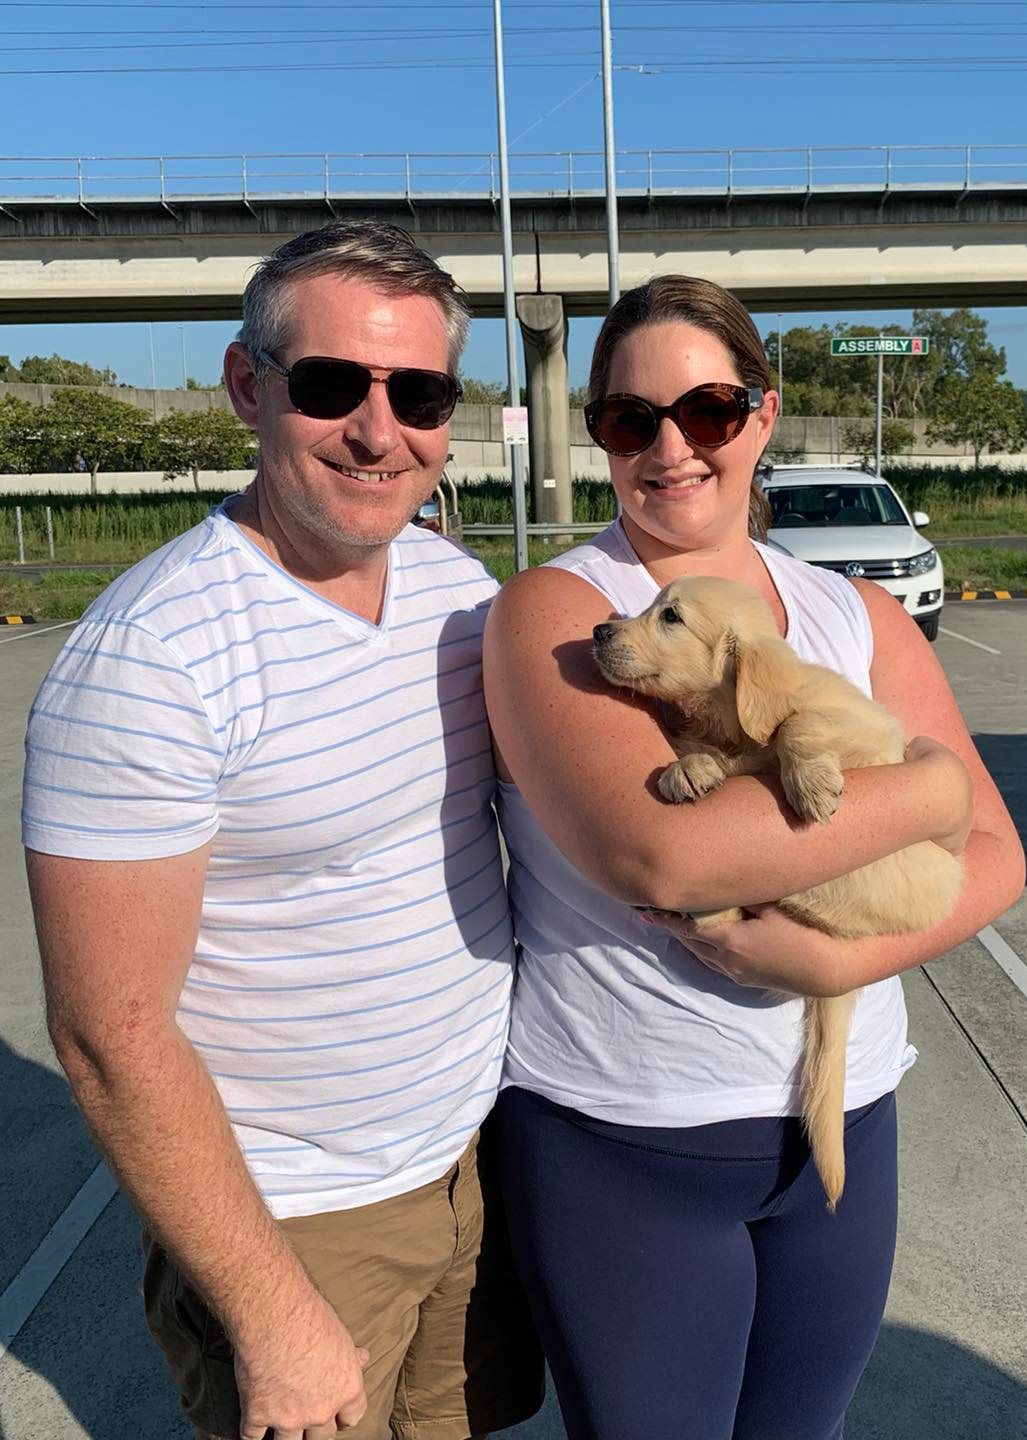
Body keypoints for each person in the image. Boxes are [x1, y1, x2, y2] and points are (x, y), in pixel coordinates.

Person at [22, 221, 543, 1440]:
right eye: (330, 384)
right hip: (302, 1220)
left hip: (475, 1163)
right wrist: (270, 1315)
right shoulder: (153, 658)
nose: (379, 430)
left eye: (418, 394)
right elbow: (108, 1037)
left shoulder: (457, 593)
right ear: (247, 386)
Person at [483, 275, 1024, 1440]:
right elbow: (666, 856)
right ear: (598, 435)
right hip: (621, 1140)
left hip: (844, 1121)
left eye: (708, 410)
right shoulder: (563, 616)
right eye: (630, 419)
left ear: (762, 417)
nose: (671, 447)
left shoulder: (856, 617)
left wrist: (841, 962)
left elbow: (996, 859)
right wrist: (926, 789)